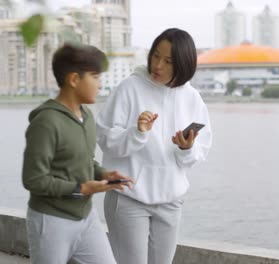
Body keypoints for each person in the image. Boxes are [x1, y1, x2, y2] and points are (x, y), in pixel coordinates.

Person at [96, 28, 212, 264]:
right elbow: (106, 140)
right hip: (129, 196)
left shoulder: (192, 98)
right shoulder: (130, 88)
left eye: (168, 61)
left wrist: (186, 148)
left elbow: (199, 152)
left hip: (170, 200)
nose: (158, 65)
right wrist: (137, 133)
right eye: (156, 56)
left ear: (183, 64)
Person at [22, 43, 133, 264]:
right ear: (74, 79)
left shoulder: (87, 116)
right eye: (95, 77)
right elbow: (33, 179)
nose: (99, 85)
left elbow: (84, 161)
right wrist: (80, 189)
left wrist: (103, 173)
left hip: (86, 217)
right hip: (51, 220)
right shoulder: (46, 122)